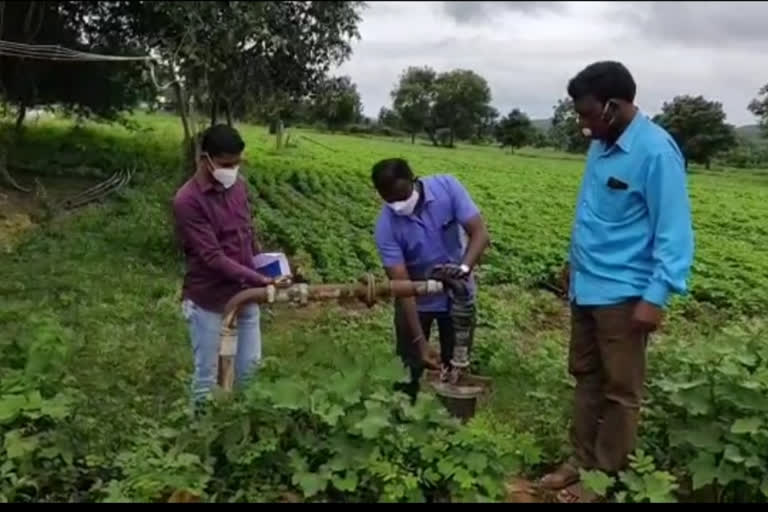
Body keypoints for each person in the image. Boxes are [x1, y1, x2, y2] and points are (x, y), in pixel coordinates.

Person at [540, 61, 695, 502]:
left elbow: (674, 232)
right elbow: (593, 212)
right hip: (586, 286)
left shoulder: (656, 153)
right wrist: (573, 262)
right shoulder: (602, 144)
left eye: (587, 114)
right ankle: (581, 461)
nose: (583, 125)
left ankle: (604, 479)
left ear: (613, 106)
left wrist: (657, 295)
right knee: (586, 376)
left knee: (621, 391)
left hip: (625, 295)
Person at [371, 158, 490, 402]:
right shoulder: (386, 226)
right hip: (415, 300)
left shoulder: (447, 187)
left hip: (457, 297)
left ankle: (449, 420)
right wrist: (420, 342)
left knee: (456, 362)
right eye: (389, 200)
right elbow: (402, 286)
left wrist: (464, 269)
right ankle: (402, 418)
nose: (398, 205)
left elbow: (479, 233)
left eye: (401, 196)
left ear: (413, 180)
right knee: (408, 367)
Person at [173, 124, 275, 406]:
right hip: (210, 300)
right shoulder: (188, 201)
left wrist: (265, 267)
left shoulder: (239, 187)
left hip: (245, 295)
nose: (232, 169)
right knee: (207, 379)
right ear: (204, 159)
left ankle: (243, 438)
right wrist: (257, 280)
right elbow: (212, 257)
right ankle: (200, 442)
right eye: (225, 164)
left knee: (250, 374)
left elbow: (247, 234)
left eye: (237, 162)